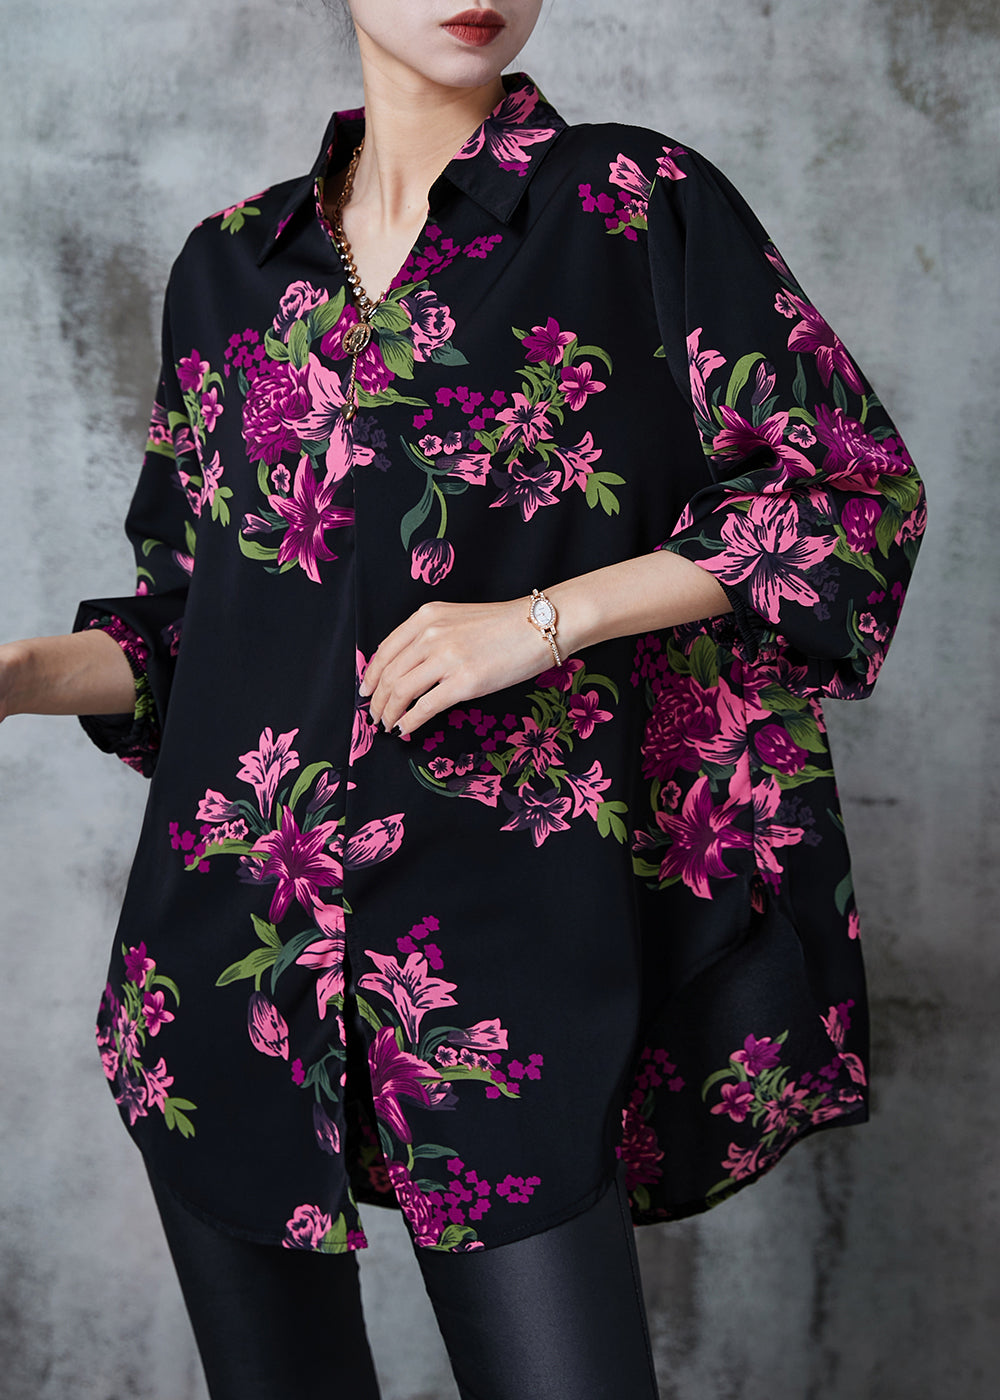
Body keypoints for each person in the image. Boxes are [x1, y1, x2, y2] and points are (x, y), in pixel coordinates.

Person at [0, 2, 926, 1397]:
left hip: (512, 974)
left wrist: (546, 623)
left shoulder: (633, 202)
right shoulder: (228, 268)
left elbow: (846, 498)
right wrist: (17, 675)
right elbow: (196, 634)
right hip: (222, 974)